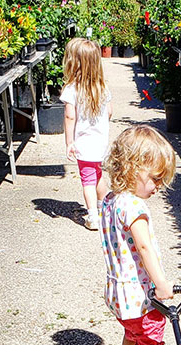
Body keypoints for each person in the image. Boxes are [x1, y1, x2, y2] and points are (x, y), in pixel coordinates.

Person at [100, 125, 177, 345]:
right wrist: (162, 284)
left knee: (132, 332)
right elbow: (145, 248)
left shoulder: (111, 200)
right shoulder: (134, 207)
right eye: (155, 179)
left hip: (118, 295)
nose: (158, 187)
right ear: (132, 169)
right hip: (141, 296)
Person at [61, 38, 112, 230]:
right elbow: (109, 112)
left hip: (84, 142)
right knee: (98, 174)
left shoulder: (71, 89)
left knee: (88, 179)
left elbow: (69, 116)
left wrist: (69, 142)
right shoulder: (103, 88)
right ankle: (103, 208)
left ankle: (92, 216)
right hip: (100, 141)